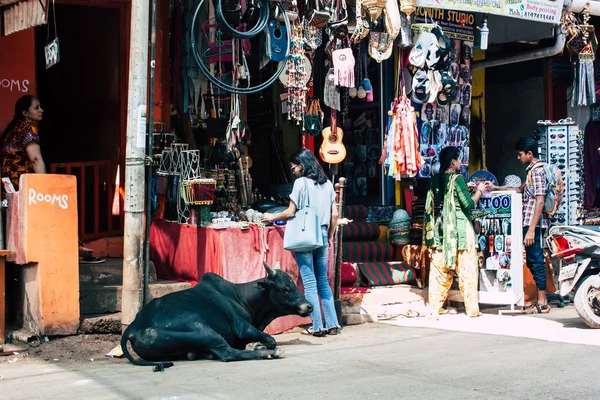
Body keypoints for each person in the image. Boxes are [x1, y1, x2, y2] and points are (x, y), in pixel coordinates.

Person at [261, 148, 341, 336]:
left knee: (310, 282)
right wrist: (329, 236)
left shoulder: (300, 184)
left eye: (294, 167)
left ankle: (317, 326)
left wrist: (271, 216)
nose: (293, 170)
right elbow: (335, 215)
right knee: (323, 281)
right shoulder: (328, 184)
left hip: (306, 236)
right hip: (322, 234)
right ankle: (332, 324)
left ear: (302, 165)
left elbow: (289, 212)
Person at [486, 138, 550, 313]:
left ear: (530, 154)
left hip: (533, 225)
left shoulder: (537, 172)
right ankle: (540, 300)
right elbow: (519, 191)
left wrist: (530, 229)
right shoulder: (530, 172)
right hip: (529, 223)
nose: (518, 158)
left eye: (520, 154)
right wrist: (496, 188)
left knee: (536, 261)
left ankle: (542, 302)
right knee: (532, 260)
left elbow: (540, 201)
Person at [423, 146, 485, 317]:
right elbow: (468, 204)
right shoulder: (457, 179)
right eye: (459, 159)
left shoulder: (435, 180)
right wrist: (480, 189)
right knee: (467, 270)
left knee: (438, 271)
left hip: (440, 230)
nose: (460, 162)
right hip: (460, 231)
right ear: (453, 161)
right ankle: (472, 310)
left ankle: (435, 307)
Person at [0, 95, 46, 190]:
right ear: (25, 113)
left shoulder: (12, 129)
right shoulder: (28, 128)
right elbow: (35, 159)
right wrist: (43, 185)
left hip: (7, 183)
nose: (41, 110)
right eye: (36, 107)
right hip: (22, 182)